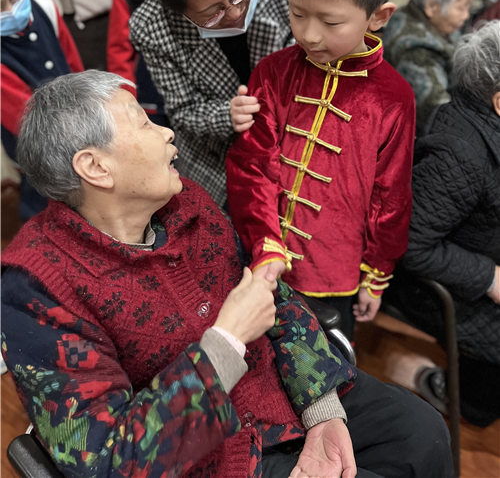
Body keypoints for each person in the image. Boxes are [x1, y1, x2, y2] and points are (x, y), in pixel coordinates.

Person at [1, 70, 453, 477]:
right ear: (96, 167)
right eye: (144, 123)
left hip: (278, 393)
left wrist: (322, 407)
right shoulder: (36, 289)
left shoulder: (184, 203)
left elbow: (274, 299)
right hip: (212, 458)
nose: (167, 133)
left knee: (421, 432)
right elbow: (108, 464)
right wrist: (226, 341)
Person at [226, 0, 416, 339]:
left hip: (335, 272)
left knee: (328, 368)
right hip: (262, 258)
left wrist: (377, 272)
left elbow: (392, 195)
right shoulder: (274, 72)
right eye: (298, 14)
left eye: (330, 23)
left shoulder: (393, 96)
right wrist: (265, 241)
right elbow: (252, 165)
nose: (309, 34)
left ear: (378, 17)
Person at [130, 0, 294, 206]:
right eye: (212, 12)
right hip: (216, 166)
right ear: (178, 10)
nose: (234, 13)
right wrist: (226, 115)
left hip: (293, 148)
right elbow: (183, 111)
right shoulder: (154, 26)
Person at [386, 22, 500, 427]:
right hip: (435, 286)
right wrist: (489, 278)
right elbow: (411, 245)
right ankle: (459, 397)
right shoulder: (460, 155)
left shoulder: (482, 123)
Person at [0, 0, 84, 219]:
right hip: (36, 153)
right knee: (45, 219)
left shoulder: (43, 6)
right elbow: (24, 118)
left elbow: (74, 67)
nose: (11, 11)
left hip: (82, 132)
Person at [383, 0, 479, 135]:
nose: (466, 16)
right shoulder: (414, 49)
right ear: (432, 6)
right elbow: (437, 113)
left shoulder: (438, 24)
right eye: (461, 7)